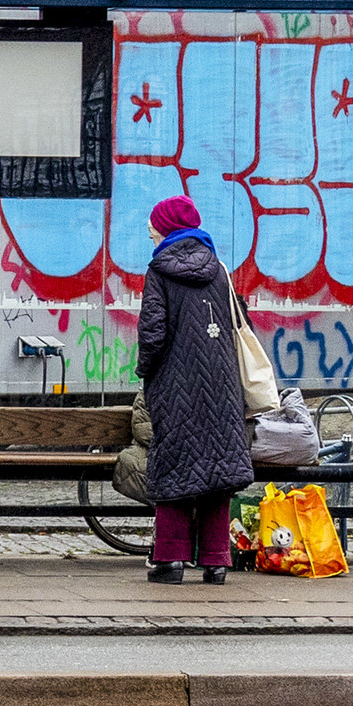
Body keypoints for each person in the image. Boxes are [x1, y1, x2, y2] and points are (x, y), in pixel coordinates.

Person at [137, 194, 253, 585]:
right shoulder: (218, 269)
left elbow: (152, 333)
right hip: (222, 385)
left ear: (167, 229)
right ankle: (216, 562)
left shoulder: (159, 271)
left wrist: (146, 371)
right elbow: (240, 322)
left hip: (177, 385)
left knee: (175, 465)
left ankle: (171, 560)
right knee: (218, 467)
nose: (150, 234)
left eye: (153, 228)